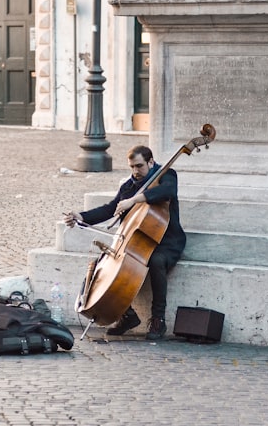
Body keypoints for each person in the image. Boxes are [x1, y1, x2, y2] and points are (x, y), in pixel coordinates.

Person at [63, 145, 186, 340]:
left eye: (139, 166)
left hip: (167, 241)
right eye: (132, 167)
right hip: (136, 241)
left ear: (151, 162)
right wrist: (81, 216)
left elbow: (168, 191)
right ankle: (127, 316)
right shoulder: (129, 185)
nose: (135, 172)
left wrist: (135, 200)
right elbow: (109, 209)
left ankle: (158, 319)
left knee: (156, 262)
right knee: (106, 264)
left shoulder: (166, 175)